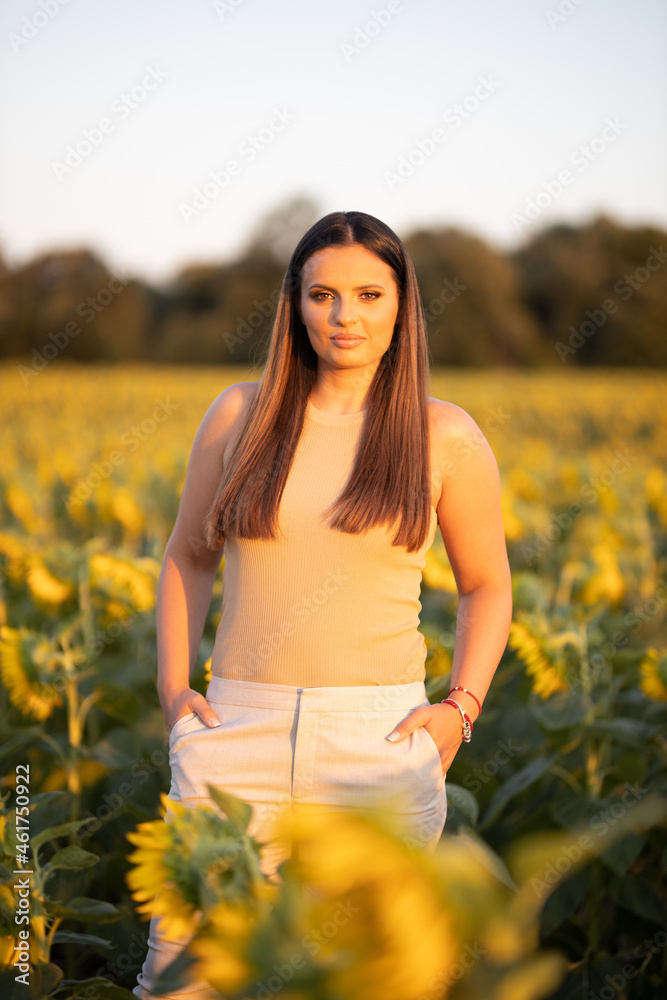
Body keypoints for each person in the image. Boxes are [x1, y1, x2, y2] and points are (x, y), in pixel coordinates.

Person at [132, 210, 512, 999]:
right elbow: (186, 557)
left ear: (402, 305)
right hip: (234, 733)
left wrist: (460, 709)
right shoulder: (240, 415)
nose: (345, 317)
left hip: (376, 743)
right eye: (322, 295)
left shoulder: (443, 435)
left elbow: (485, 584)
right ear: (293, 304)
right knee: (181, 981)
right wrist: (173, 693)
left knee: (367, 982)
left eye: (369, 295)